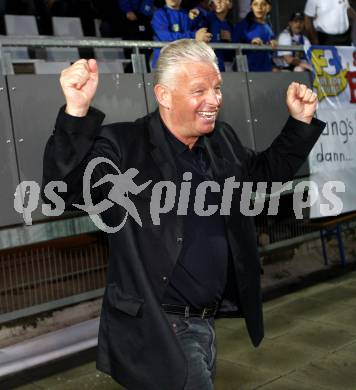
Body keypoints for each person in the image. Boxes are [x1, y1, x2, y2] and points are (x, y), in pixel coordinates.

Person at [42, 39, 324, 390]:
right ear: (164, 95)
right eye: (199, 90)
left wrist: (300, 122)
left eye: (217, 88)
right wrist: (75, 113)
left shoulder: (221, 139)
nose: (214, 100)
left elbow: (264, 174)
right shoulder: (123, 146)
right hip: (162, 328)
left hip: (204, 323)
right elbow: (62, 191)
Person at [150, 0, 212, 68]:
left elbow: (202, 20)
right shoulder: (159, 14)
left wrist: (199, 11)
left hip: (183, 64)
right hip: (164, 64)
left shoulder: (186, 14)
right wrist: (194, 36)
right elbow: (166, 38)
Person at [232, 0, 277, 71]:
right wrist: (250, 44)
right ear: (251, 7)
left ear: (268, 7)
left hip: (267, 71)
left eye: (263, 4)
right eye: (255, 4)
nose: (259, 7)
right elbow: (233, 50)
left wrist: (272, 44)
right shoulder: (241, 26)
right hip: (248, 73)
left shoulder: (269, 27)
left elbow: (270, 53)